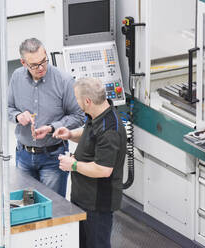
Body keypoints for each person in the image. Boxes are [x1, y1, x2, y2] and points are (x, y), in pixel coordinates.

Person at [53, 77, 127, 248]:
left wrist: (72, 165)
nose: (76, 102)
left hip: (97, 204)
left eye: (77, 98)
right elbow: (91, 135)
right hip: (84, 197)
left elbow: (103, 169)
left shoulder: (110, 130)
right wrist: (71, 134)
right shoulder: (97, 114)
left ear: (87, 101)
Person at [8, 38, 84, 197]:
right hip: (23, 155)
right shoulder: (16, 77)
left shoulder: (64, 81)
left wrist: (52, 128)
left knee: (53, 209)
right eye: (34, 65)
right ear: (23, 63)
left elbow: (79, 116)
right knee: (26, 207)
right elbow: (8, 108)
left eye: (44, 61)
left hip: (53, 157)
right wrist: (18, 116)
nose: (41, 67)